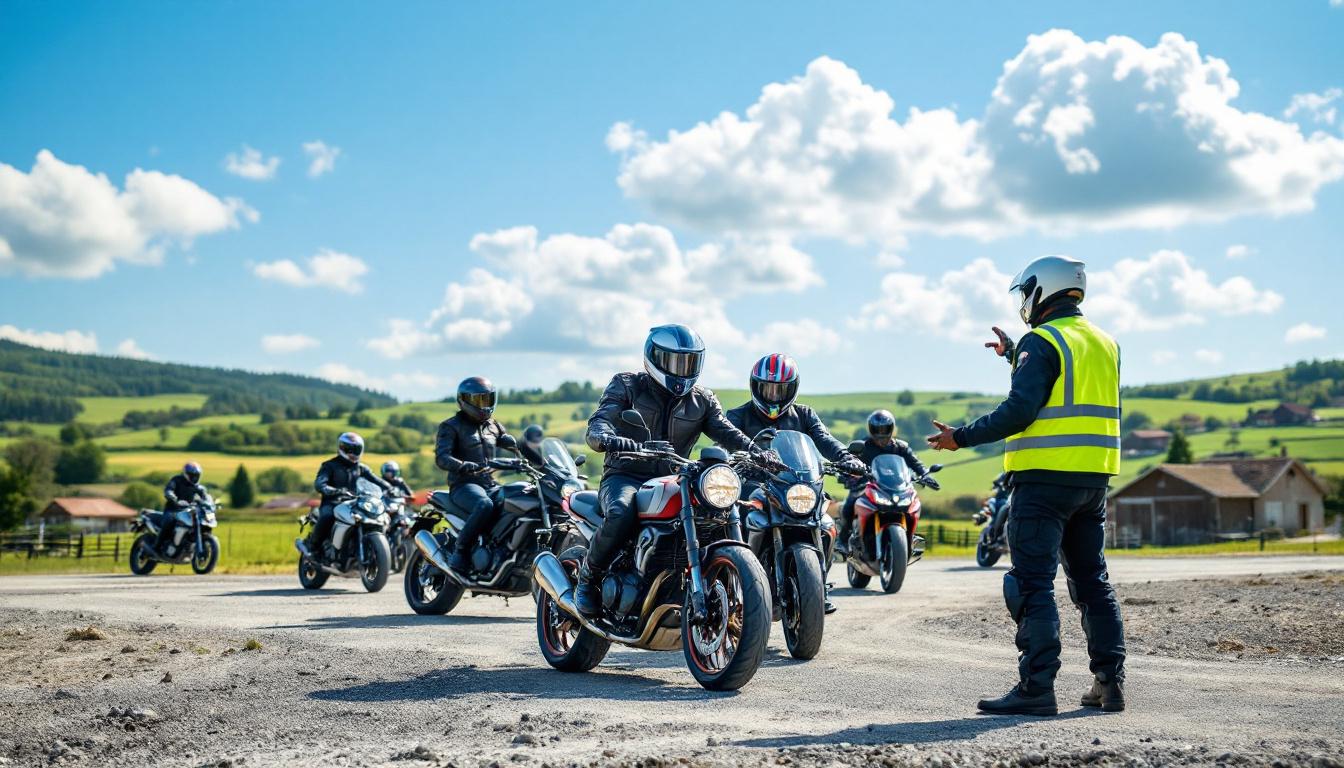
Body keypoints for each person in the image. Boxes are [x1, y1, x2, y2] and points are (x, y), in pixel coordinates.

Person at [926, 255, 1125, 716]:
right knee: (1093, 583)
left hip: (1043, 483)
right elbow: (1067, 383)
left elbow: (1020, 410)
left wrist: (961, 437)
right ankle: (1109, 685)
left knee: (1031, 585)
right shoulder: (1104, 342)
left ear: (1041, 290)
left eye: (1025, 292)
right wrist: (1017, 353)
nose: (1023, 302)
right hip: (1093, 480)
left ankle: (1037, 688)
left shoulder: (1044, 339)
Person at [576, 324, 766, 617]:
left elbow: (726, 431)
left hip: (674, 478)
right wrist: (607, 437)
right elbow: (600, 422)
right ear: (654, 358)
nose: (682, 370)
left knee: (717, 511)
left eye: (689, 362)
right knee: (621, 511)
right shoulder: (627, 385)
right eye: (675, 361)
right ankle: (588, 579)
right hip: (626, 475)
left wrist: (756, 451)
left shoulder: (702, 399)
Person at [725, 353, 865, 612]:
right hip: (755, 482)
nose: (773, 396)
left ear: (793, 389)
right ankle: (737, 580)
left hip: (797, 485)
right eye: (767, 389)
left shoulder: (804, 415)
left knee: (826, 523)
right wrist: (728, 457)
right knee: (741, 515)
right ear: (755, 387)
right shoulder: (739, 415)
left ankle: (817, 584)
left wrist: (845, 457)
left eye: (781, 390)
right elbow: (725, 440)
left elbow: (825, 440)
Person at [435, 376, 515, 573]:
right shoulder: (450, 426)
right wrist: (464, 466)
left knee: (517, 501)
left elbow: (516, 446)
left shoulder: (494, 426)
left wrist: (536, 458)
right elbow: (442, 458)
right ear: (464, 401)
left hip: (490, 484)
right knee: (484, 504)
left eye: (488, 399)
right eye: (479, 400)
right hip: (463, 485)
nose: (484, 405)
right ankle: (460, 551)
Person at [834, 410, 935, 556]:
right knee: (849, 505)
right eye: (877, 429)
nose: (881, 433)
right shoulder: (863, 446)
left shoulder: (900, 447)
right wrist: (846, 475)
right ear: (871, 429)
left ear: (891, 429)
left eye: (885, 429)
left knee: (912, 505)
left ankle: (909, 539)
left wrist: (925, 474)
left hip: (896, 487)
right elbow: (849, 461)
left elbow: (916, 463)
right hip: (866, 485)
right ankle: (842, 540)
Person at [307, 432, 392, 560]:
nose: (353, 453)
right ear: (341, 448)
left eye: (356, 449)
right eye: (349, 449)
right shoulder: (329, 466)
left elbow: (377, 481)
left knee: (378, 516)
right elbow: (320, 483)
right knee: (327, 516)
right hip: (334, 502)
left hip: (356, 503)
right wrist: (332, 490)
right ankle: (313, 548)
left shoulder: (361, 468)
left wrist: (391, 489)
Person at [159, 461, 206, 552]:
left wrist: (207, 503)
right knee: (169, 521)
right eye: (192, 475)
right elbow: (169, 490)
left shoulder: (199, 488)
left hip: (187, 512)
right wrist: (173, 498)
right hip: (172, 510)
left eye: (196, 475)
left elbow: (205, 498)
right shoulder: (176, 480)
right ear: (185, 474)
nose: (194, 477)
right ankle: (157, 546)